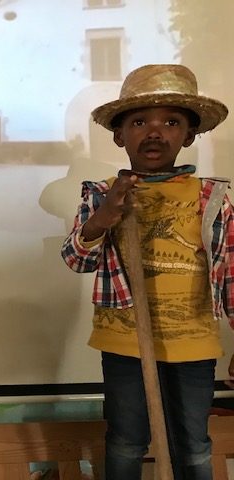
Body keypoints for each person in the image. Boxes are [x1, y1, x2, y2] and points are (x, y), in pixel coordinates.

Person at [61, 64, 231, 479]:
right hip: (124, 343)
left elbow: (231, 272)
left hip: (192, 345)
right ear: (120, 135)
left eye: (171, 122)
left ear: (189, 135)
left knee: (193, 446)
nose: (155, 132)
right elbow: (76, 259)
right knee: (125, 441)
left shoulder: (211, 197)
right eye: (139, 122)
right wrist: (103, 219)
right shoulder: (102, 194)